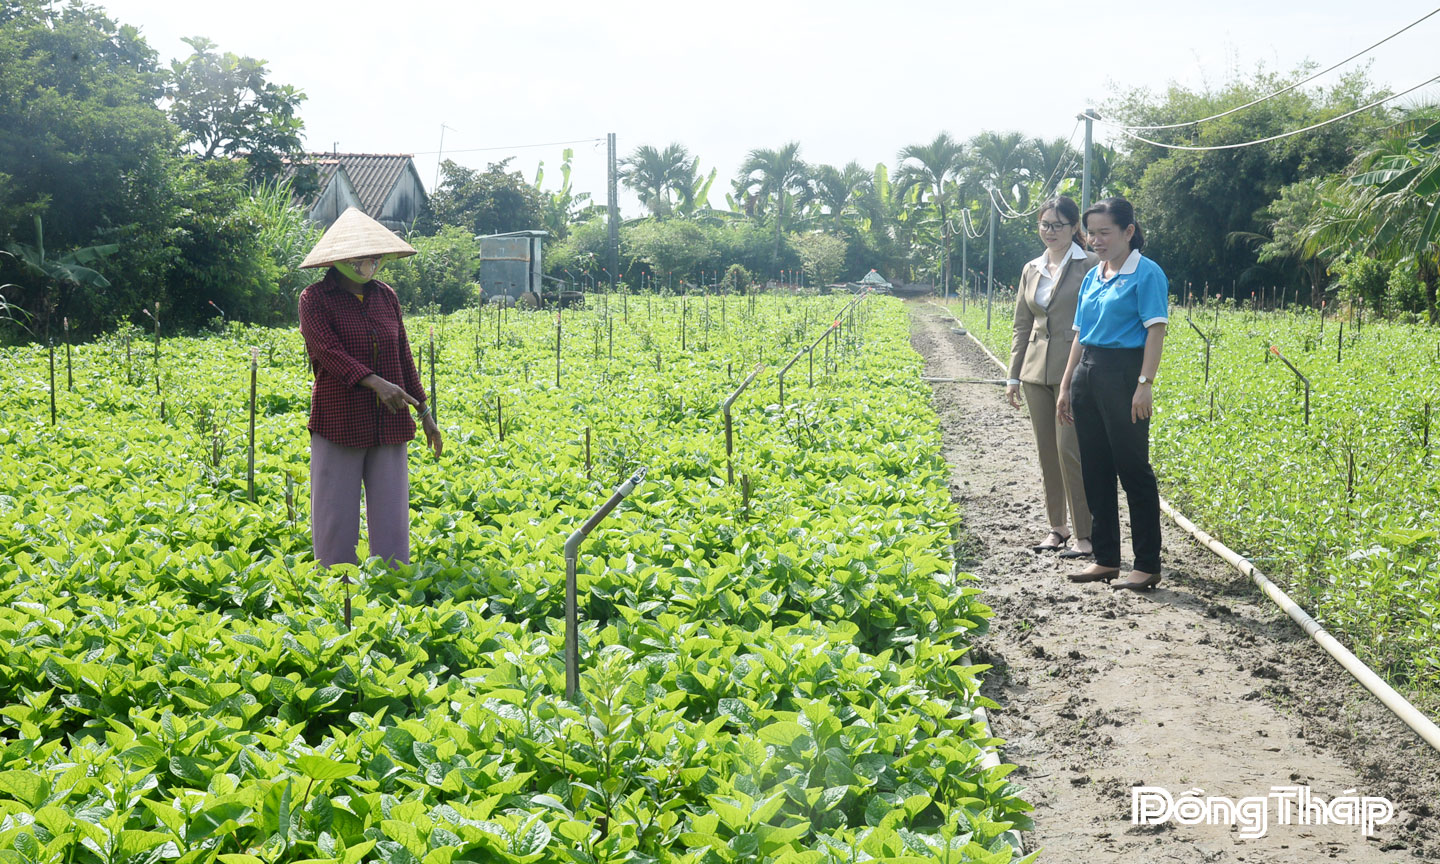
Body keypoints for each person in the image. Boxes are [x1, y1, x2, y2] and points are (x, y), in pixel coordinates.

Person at [297, 207, 443, 568]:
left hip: (389, 420)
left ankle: (392, 584)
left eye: (374, 256)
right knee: (334, 515)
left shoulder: (386, 296)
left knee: (392, 515)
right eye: (362, 257)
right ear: (342, 258)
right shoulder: (314, 299)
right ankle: (337, 588)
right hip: (339, 420)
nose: (369, 263)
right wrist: (375, 383)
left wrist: (424, 411)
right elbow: (326, 351)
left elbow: (402, 355)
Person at [1056, 197, 1167, 591]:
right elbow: (1079, 335)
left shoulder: (1146, 273)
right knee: (1095, 469)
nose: (1097, 240)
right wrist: (1068, 384)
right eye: (1092, 233)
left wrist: (1144, 384)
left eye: (1105, 232)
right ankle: (1105, 558)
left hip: (1125, 374)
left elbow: (1155, 329)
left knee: (1133, 469)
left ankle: (1147, 563)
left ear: (1128, 232)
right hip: (1089, 370)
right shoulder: (1094, 275)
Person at [1005, 196, 1097, 559]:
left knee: (1069, 451)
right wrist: (1013, 376)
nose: (1050, 232)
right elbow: (1021, 324)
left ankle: (1085, 534)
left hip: (1073, 370)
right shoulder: (1032, 268)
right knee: (1046, 453)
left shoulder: (1090, 264)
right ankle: (1057, 527)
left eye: (1058, 225)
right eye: (1044, 224)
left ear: (1075, 227)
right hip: (1034, 372)